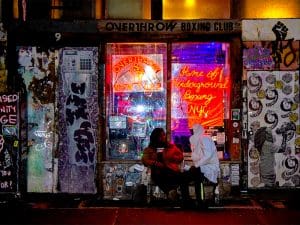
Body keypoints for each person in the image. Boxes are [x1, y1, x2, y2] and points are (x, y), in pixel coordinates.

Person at [141, 128, 194, 204]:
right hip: (158, 173)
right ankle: (179, 196)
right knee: (159, 172)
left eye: (163, 135)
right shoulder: (149, 149)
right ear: (156, 137)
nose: (163, 137)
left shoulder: (170, 146)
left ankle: (174, 193)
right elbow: (144, 160)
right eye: (161, 135)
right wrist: (155, 163)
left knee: (181, 178)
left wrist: (172, 158)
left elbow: (180, 157)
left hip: (169, 171)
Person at [189, 124, 220, 204]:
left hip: (210, 168)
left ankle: (200, 200)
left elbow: (208, 155)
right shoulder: (199, 140)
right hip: (205, 167)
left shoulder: (204, 139)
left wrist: (197, 165)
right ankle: (197, 199)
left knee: (196, 176)